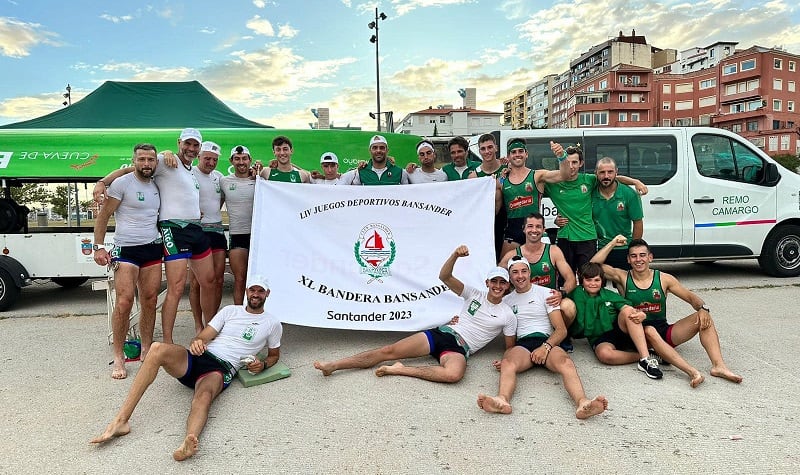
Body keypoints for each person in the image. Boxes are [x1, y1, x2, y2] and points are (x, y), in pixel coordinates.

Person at [90, 276, 283, 462]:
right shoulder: (230, 311)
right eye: (252, 290)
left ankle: (188, 441)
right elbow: (204, 336)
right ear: (247, 291)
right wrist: (198, 341)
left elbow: (274, 355)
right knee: (157, 349)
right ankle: (121, 421)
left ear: (267, 294)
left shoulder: (272, 323)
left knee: (203, 396)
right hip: (199, 357)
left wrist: (263, 364)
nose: (255, 294)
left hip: (221, 368)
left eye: (260, 291)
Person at [313, 245, 517, 382]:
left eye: (502, 283)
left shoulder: (507, 314)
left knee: (454, 375)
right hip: (443, 333)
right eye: (494, 282)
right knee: (388, 351)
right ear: (487, 283)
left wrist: (506, 362)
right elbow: (444, 276)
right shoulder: (474, 294)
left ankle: (400, 369)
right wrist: (455, 255)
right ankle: (334, 365)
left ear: (508, 286)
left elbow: (510, 348)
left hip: (460, 348)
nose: (497, 286)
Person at [94, 128, 218, 345]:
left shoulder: (191, 170)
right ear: (179, 143)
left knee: (209, 281)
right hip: (173, 229)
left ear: (199, 149)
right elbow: (129, 171)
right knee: (176, 287)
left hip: (195, 228)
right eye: (187, 144)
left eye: (195, 145)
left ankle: (209, 333)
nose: (190, 148)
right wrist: (102, 182)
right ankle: (168, 342)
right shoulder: (164, 161)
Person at [592, 236, 742, 384]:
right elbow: (593, 265)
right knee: (649, 330)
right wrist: (612, 243)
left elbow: (690, 297)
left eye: (642, 255)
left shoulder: (664, 279)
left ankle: (719, 366)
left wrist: (703, 308)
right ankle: (682, 368)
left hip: (661, 329)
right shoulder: (622, 277)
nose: (638, 259)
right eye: (634, 256)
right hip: (634, 332)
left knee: (703, 318)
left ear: (650, 257)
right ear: (628, 260)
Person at [477, 255, 607, 419]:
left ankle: (583, 403)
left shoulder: (546, 293)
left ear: (530, 272)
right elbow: (496, 327)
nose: (520, 276)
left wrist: (545, 347)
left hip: (546, 341)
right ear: (510, 277)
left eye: (524, 271)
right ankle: (502, 400)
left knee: (566, 363)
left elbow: (561, 330)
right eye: (515, 272)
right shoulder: (506, 300)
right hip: (523, 345)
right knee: (508, 363)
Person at [92, 143, 163, 379]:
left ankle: (146, 349)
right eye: (141, 159)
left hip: (152, 248)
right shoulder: (122, 183)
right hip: (126, 249)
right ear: (134, 161)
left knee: (150, 300)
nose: (146, 164)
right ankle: (119, 356)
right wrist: (99, 247)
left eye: (150, 160)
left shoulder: (158, 182)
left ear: (155, 162)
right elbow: (103, 216)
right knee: (124, 302)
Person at [545, 142, 647, 277]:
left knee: (591, 278)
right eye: (567, 162)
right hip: (565, 238)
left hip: (588, 239)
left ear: (581, 163)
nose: (571, 166)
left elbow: (610, 178)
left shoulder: (589, 180)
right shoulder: (551, 184)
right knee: (566, 278)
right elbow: (532, 181)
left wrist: (635, 181)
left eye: (575, 162)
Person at [188, 141, 226, 331]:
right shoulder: (189, 173)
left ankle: (213, 322)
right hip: (197, 231)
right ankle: (198, 324)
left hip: (217, 230)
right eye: (207, 158)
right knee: (197, 282)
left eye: (214, 159)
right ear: (198, 157)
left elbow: (221, 199)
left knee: (217, 280)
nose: (211, 162)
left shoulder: (219, 177)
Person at [220, 145, 260, 305]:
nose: (241, 162)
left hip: (258, 236)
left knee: (259, 281)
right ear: (231, 161)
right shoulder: (224, 181)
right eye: (237, 159)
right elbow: (215, 205)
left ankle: (259, 315)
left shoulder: (260, 180)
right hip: (237, 235)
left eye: (244, 158)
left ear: (250, 160)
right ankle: (239, 316)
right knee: (240, 279)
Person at [340, 135, 410, 185]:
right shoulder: (360, 173)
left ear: (387, 150)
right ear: (370, 150)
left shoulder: (400, 172)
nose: (378, 150)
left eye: (382, 148)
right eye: (375, 148)